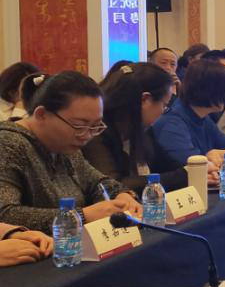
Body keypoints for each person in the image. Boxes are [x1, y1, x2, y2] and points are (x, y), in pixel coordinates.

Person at [0, 72, 141, 233]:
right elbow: (5, 214)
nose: (87, 135)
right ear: (41, 114)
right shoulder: (8, 144)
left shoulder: (65, 146)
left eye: (95, 126)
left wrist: (121, 196)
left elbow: (97, 183)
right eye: (79, 125)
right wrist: (82, 216)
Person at [82, 62, 187, 195]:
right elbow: (113, 186)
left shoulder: (141, 129)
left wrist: (198, 168)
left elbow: (168, 165)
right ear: (145, 99)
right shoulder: (97, 131)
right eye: (164, 105)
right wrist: (184, 175)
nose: (163, 112)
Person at [151, 59, 225, 169]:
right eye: (224, 92)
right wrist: (218, 157)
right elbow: (196, 166)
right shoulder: (172, 123)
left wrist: (219, 153)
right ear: (210, 91)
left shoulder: (203, 118)